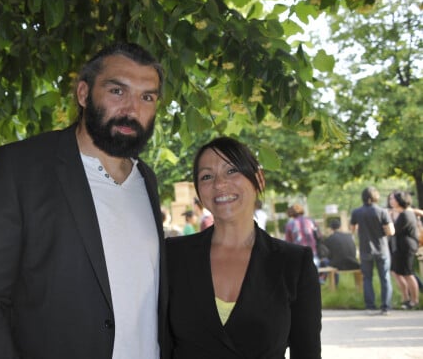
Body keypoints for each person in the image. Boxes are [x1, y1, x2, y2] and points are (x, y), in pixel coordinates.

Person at [0, 43, 168, 359]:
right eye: (117, 91)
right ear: (83, 94)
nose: (132, 108)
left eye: (147, 97)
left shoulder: (146, 179)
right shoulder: (20, 167)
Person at [166, 137, 321, 358]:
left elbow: (307, 352)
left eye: (231, 171)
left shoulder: (294, 263)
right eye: (207, 176)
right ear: (199, 192)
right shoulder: (173, 256)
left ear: (258, 179)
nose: (219, 184)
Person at [350, 186, 395, 315]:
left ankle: (370, 306)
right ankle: (386, 307)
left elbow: (352, 229)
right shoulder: (382, 212)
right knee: (385, 278)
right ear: (376, 196)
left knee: (367, 278)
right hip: (382, 249)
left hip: (365, 250)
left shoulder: (356, 212)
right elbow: (391, 231)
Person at [388, 191, 419, 309]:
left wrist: (389, 220)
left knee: (408, 273)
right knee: (396, 272)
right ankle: (405, 297)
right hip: (398, 247)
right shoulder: (401, 214)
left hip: (406, 247)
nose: (391, 201)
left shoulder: (406, 214)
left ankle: (414, 300)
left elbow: (394, 230)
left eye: (393, 199)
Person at [284, 203, 321, 267]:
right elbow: (319, 235)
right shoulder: (311, 221)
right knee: (314, 271)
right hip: (312, 250)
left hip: (298, 252)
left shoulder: (289, 224)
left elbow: (288, 241)